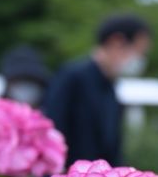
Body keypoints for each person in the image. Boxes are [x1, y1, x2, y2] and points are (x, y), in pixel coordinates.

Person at [43, 14, 151, 166]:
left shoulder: (112, 88)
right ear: (117, 42)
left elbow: (112, 149)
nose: (140, 59)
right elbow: (52, 134)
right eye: (139, 52)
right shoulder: (72, 77)